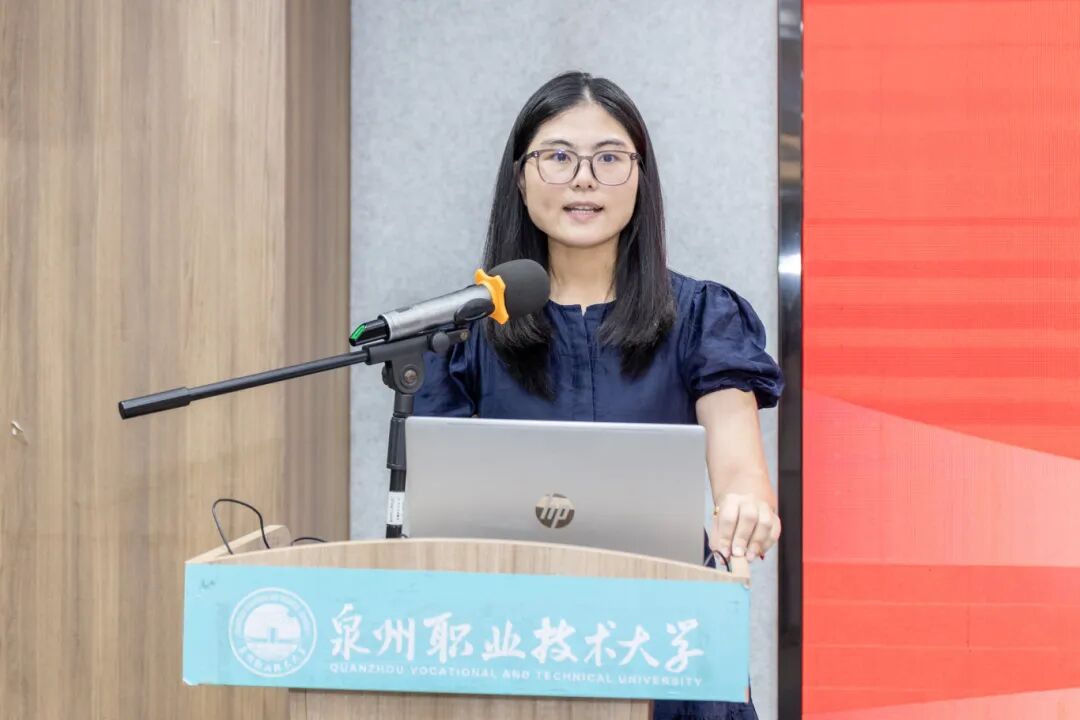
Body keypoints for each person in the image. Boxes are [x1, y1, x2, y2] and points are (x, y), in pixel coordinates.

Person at [413, 70, 784, 720]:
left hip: (667, 635)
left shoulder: (703, 316)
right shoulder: (463, 333)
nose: (584, 179)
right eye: (558, 157)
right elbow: (437, 511)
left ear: (641, 178)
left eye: (609, 158)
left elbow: (739, 471)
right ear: (520, 177)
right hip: (512, 642)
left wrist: (745, 509)